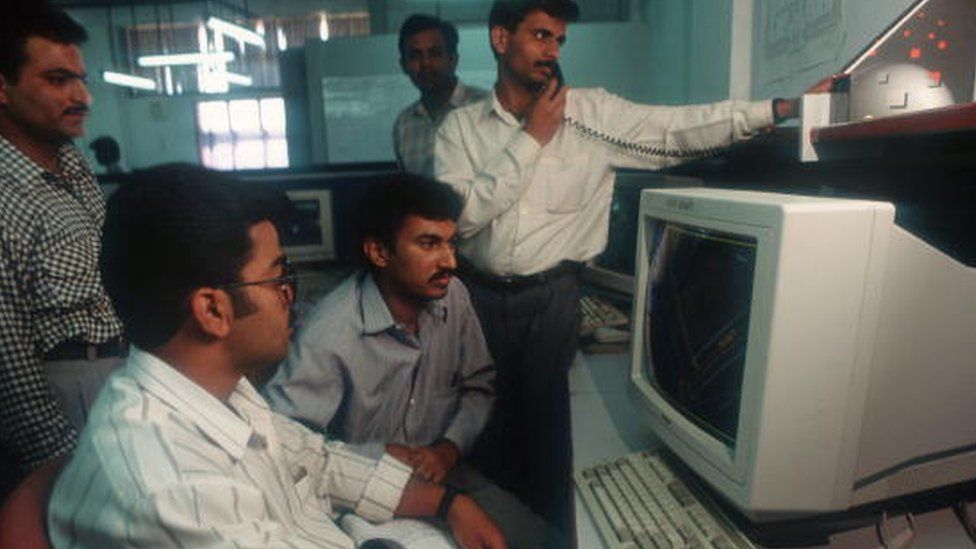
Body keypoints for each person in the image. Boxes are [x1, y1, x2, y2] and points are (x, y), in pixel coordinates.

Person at [433, 0, 827, 533]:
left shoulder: (593, 114)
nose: (552, 51)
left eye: (559, 41)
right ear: (501, 39)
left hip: (552, 298)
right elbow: (460, 220)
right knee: (483, 432)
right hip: (475, 298)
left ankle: (557, 537)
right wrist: (532, 141)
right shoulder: (458, 130)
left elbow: (675, 129)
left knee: (552, 437)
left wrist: (774, 110)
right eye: (540, 36)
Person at [47, 165, 506, 549]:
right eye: (278, 278)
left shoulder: (221, 391)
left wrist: (448, 504)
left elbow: (320, 462)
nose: (292, 298)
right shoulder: (171, 489)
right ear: (212, 310)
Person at [264, 175, 554, 547]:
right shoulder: (330, 334)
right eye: (429, 244)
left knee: (549, 542)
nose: (449, 261)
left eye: (451, 243)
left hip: (449, 474)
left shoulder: (454, 297)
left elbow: (479, 386)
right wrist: (381, 454)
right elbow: (285, 448)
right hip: (361, 496)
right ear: (379, 253)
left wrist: (448, 449)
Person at [0, 0, 124, 497]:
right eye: (57, 80)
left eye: (82, 79)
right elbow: (8, 356)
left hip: (119, 372)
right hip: (64, 392)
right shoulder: (6, 194)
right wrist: (58, 464)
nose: (82, 97)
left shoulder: (72, 165)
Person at [393, 14, 488, 176]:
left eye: (435, 53)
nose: (425, 63)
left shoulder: (486, 108)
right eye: (415, 56)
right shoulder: (404, 125)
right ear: (404, 65)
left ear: (453, 59)